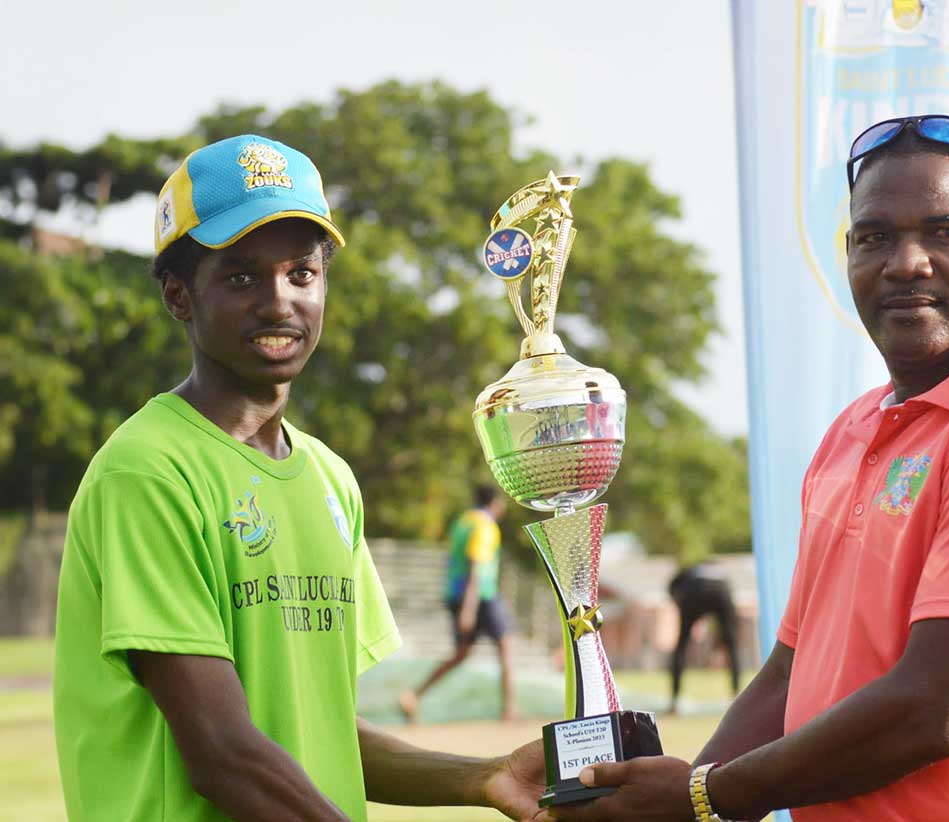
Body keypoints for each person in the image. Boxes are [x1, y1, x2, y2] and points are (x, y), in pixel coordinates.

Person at [547, 115, 949, 822]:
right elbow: (790, 676)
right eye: (874, 237)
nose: (905, 262)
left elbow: (936, 708)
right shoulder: (855, 429)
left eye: (945, 233)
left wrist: (702, 798)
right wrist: (684, 803)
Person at [52, 134, 544, 821]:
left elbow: (318, 733)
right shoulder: (149, 471)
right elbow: (223, 754)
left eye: (302, 273)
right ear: (178, 297)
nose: (280, 301)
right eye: (242, 276)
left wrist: (485, 778)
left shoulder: (330, 478)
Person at [399, 484, 518, 722]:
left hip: (456, 594)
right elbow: (475, 565)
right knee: (506, 647)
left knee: (461, 654)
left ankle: (413, 695)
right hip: (479, 596)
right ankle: (509, 711)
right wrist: (469, 609)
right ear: (495, 503)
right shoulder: (485, 526)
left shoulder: (462, 522)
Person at [666, 564, 741, 714]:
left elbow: (674, 593)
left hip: (695, 589)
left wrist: (688, 621)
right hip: (721, 589)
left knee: (681, 646)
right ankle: (736, 695)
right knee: (732, 645)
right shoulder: (716, 572)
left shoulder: (682, 578)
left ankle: (674, 699)